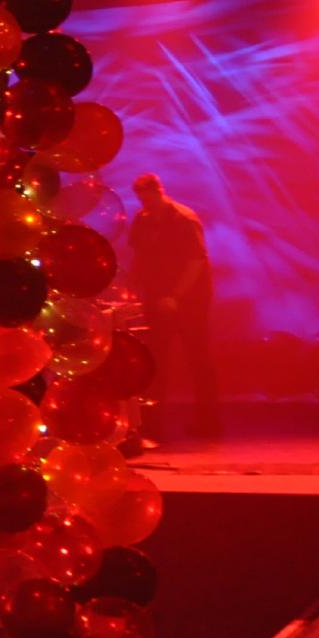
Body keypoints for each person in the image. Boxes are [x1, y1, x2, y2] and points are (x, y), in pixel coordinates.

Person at [128, 174, 222, 441]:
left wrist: (175, 296)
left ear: (160, 192)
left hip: (191, 301)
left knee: (198, 358)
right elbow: (140, 255)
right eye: (142, 200)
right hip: (158, 297)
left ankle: (209, 423)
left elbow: (196, 261)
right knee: (156, 360)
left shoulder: (184, 219)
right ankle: (153, 425)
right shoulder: (143, 219)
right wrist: (133, 287)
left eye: (149, 199)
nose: (146, 205)